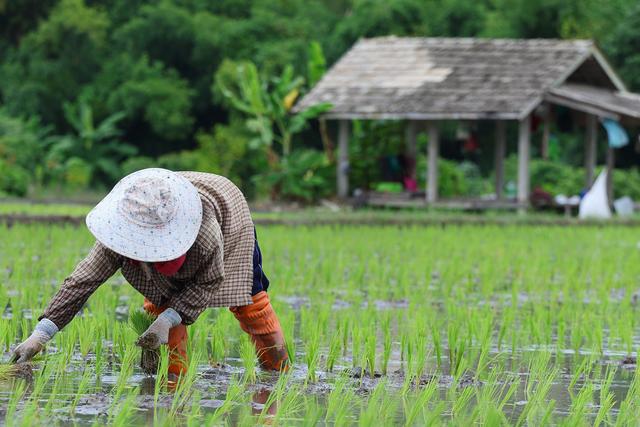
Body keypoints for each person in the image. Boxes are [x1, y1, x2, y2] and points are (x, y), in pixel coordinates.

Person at [11, 168, 289, 378]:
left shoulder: (204, 235)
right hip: (156, 213)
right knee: (160, 310)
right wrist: (40, 334)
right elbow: (83, 281)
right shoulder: (120, 231)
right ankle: (171, 382)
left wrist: (171, 317)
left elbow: (209, 281)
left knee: (250, 305)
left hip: (228, 218)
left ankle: (278, 368)